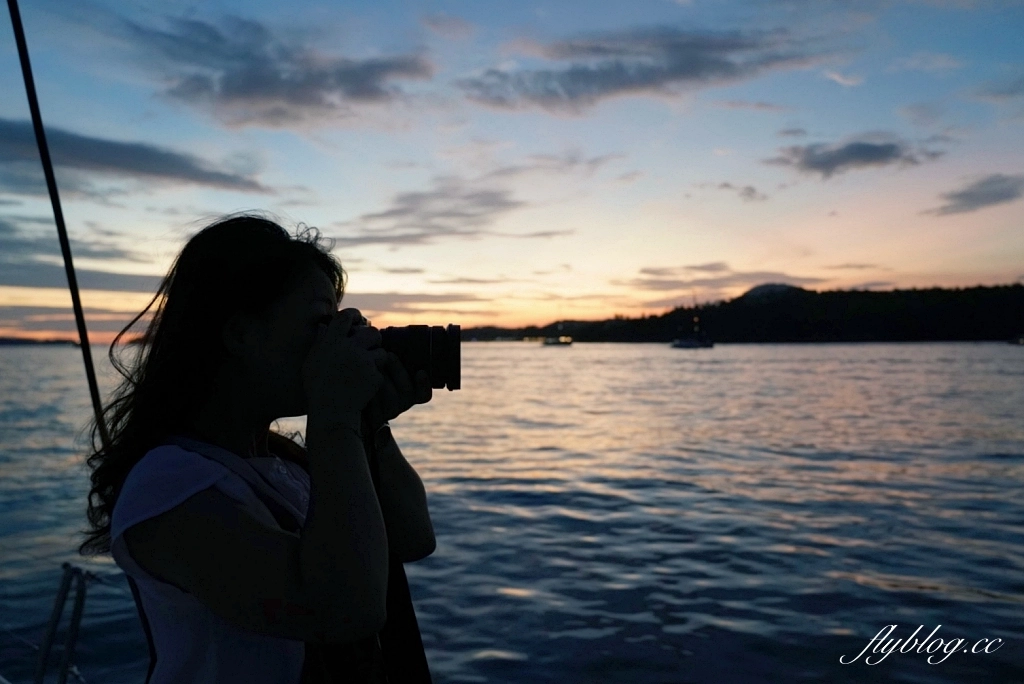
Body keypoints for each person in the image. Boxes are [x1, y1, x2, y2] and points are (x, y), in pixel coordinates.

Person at [78, 214, 436, 684]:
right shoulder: (167, 485)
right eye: (319, 322)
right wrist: (335, 419)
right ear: (240, 334)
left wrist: (368, 424)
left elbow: (411, 537)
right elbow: (340, 608)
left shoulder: (280, 460)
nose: (335, 342)